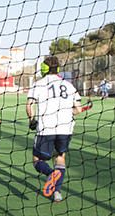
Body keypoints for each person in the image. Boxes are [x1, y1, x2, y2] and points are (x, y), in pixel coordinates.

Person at [26, 56, 84, 203]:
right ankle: (57, 192)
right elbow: (77, 109)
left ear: (44, 69)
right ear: (58, 69)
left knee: (36, 159)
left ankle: (51, 173)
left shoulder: (38, 84)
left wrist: (31, 120)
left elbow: (29, 105)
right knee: (60, 157)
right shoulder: (68, 85)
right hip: (66, 129)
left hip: (47, 128)